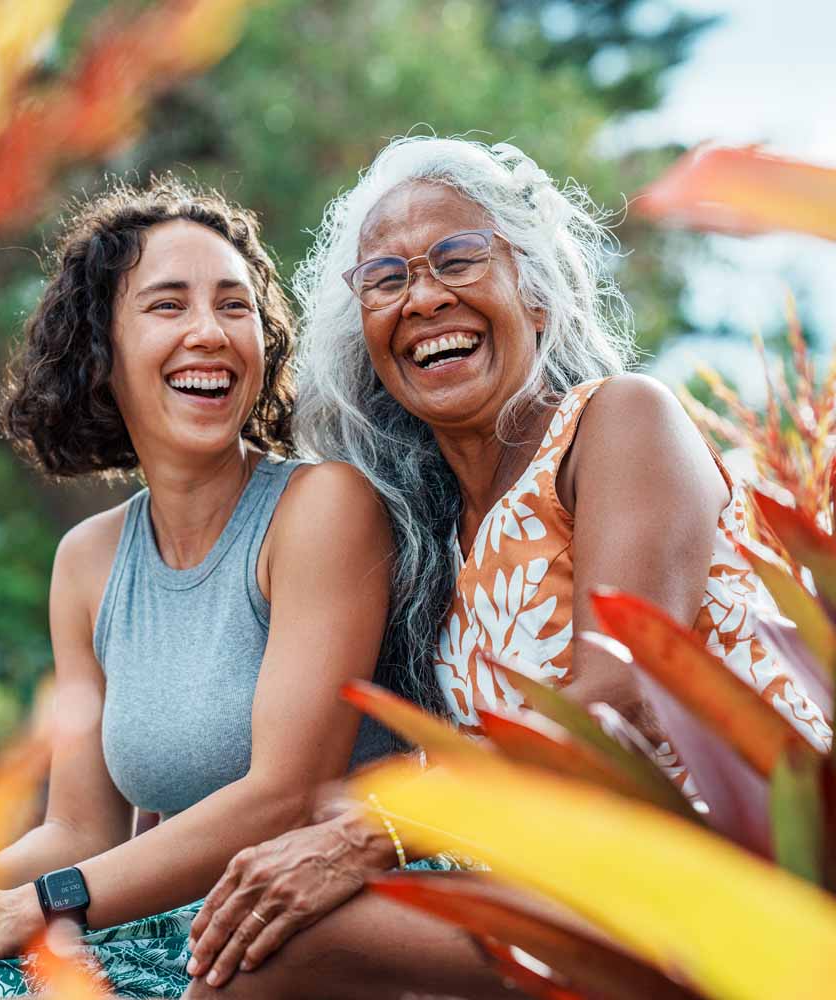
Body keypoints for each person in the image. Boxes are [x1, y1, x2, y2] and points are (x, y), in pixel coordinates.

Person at [182, 136, 832, 999]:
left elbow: (617, 695)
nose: (424, 297)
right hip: (575, 887)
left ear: (536, 292)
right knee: (255, 921)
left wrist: (371, 831)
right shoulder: (431, 542)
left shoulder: (619, 422)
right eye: (387, 278)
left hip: (738, 880)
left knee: (280, 947)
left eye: (458, 258)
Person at [0, 176, 406, 998]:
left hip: (307, 933)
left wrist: (30, 908)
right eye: (168, 305)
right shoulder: (88, 562)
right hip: (172, 929)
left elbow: (284, 796)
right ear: (100, 351)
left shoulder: (321, 509)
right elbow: (78, 827)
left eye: (234, 305)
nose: (208, 333)